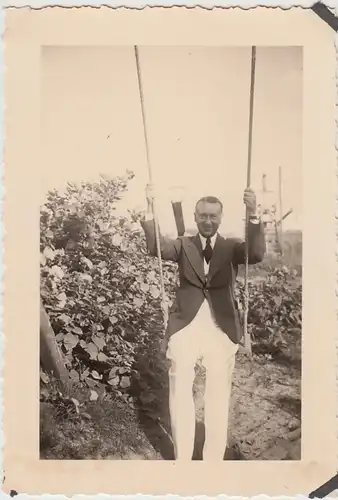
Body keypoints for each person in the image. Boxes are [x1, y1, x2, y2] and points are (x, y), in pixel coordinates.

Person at [141, 185, 265, 461]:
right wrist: (150, 207)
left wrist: (254, 212)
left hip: (220, 327)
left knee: (217, 395)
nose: (208, 221)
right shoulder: (184, 244)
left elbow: (255, 254)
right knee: (180, 385)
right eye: (202, 216)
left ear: (221, 218)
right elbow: (156, 248)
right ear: (195, 218)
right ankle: (183, 458)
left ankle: (212, 461)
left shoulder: (232, 247)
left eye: (213, 216)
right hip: (187, 325)